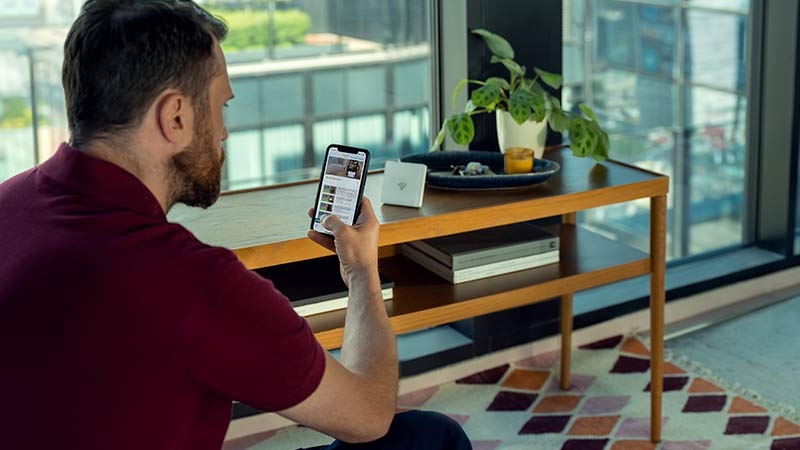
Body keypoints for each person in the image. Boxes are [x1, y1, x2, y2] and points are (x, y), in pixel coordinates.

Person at [0, 1, 471, 449]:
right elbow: (368, 416)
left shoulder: (7, 204)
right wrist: (362, 272)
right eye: (221, 106)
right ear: (176, 116)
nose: (224, 131)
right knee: (428, 438)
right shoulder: (196, 284)